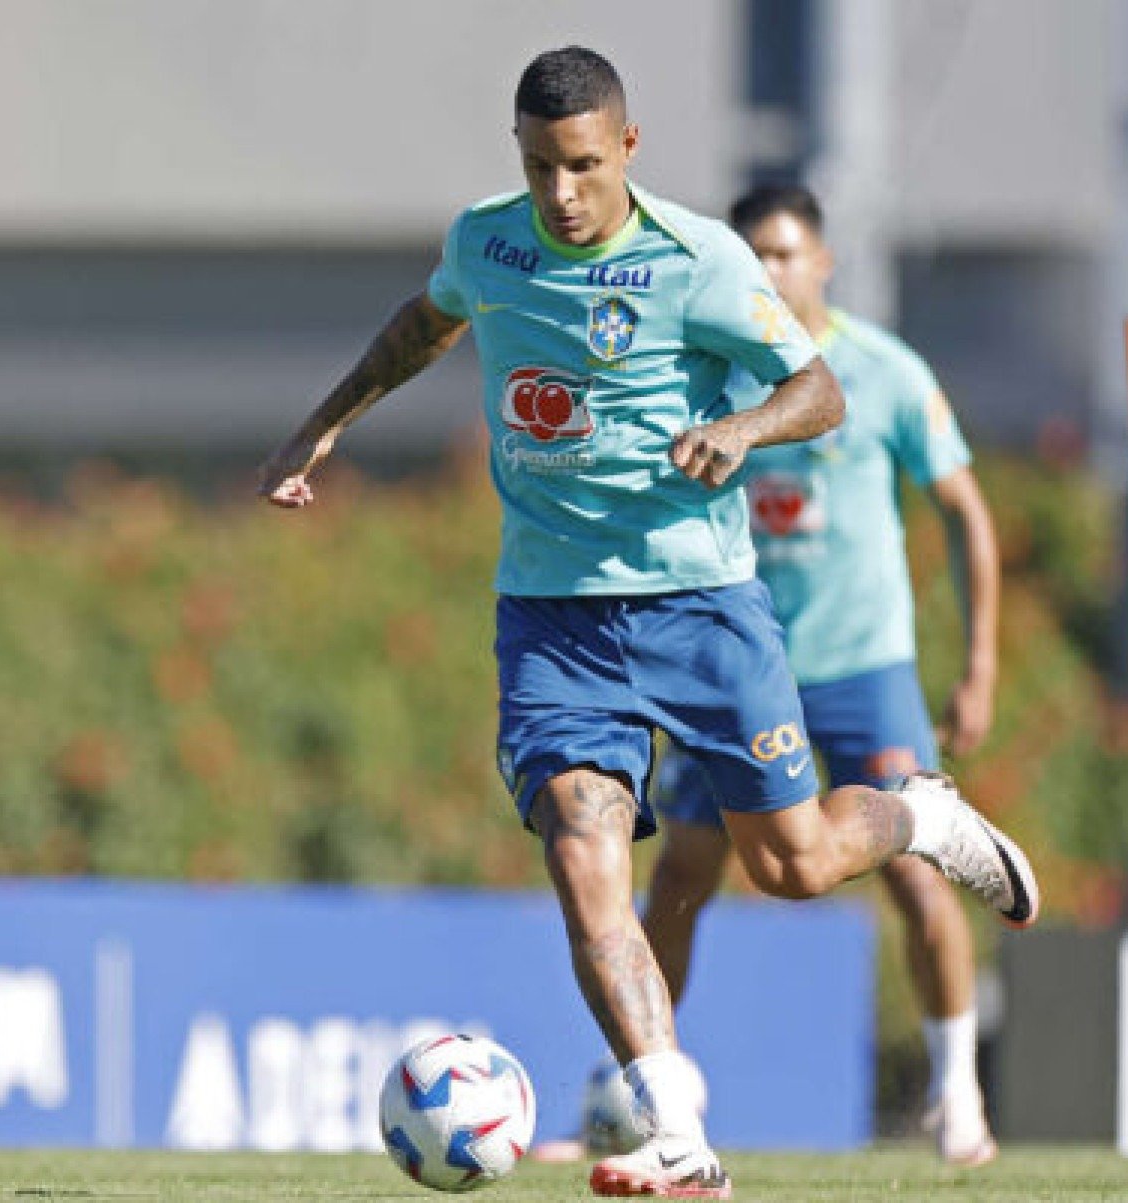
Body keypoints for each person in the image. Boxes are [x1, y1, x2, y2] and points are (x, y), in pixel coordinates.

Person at [257, 48, 1038, 1199]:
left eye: (579, 166)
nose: (559, 194)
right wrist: (323, 426)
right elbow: (422, 325)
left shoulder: (698, 262)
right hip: (553, 623)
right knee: (585, 857)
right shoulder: (490, 240)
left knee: (797, 864)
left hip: (699, 609)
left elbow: (819, 388)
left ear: (627, 148)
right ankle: (674, 1127)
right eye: (537, 168)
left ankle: (916, 817)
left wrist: (744, 430)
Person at [638, 183, 1007, 1167]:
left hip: (862, 668)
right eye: (751, 253)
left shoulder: (881, 372)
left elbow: (965, 513)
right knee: (680, 874)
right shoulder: (708, 369)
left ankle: (957, 1093)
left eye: (786, 253)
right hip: (743, 669)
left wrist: (978, 662)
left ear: (824, 262)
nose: (769, 271)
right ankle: (645, 1091)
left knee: (921, 886)